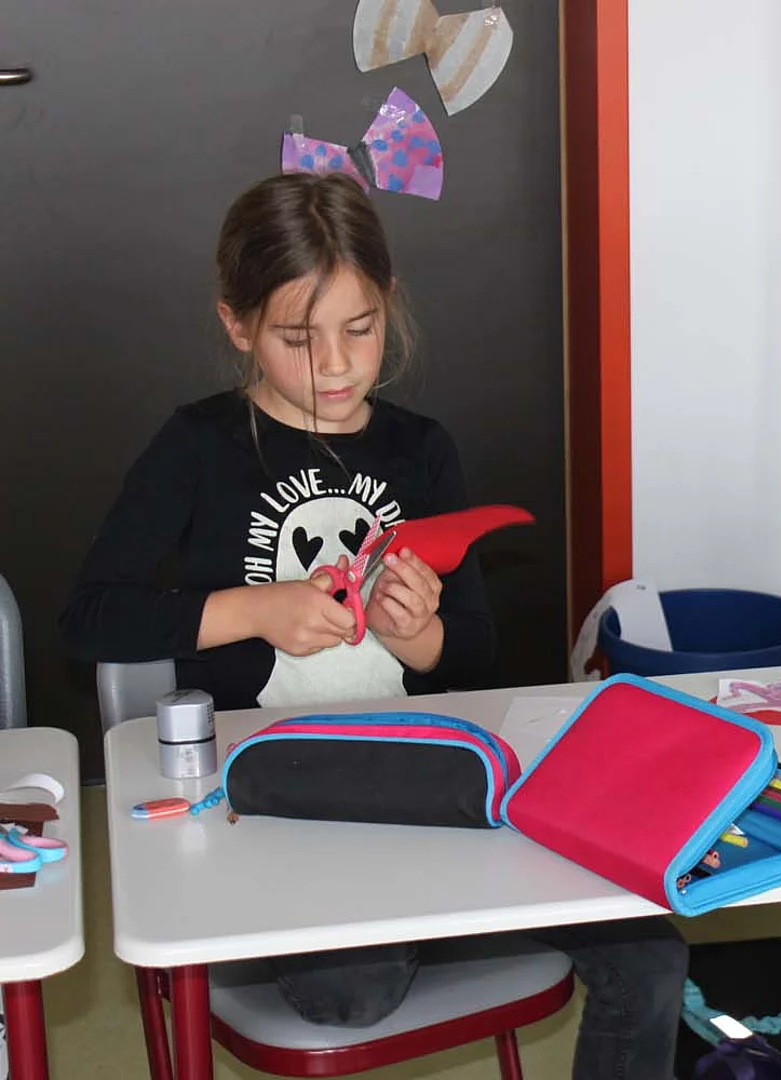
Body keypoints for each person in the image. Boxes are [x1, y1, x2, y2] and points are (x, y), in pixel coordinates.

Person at [61, 173, 687, 1079]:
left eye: (359, 328)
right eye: (296, 338)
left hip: (424, 780)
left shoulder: (419, 449)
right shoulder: (197, 448)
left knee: (650, 954)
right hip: (276, 796)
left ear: (388, 304)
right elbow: (90, 618)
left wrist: (416, 635)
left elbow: (474, 654)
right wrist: (256, 610)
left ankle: (443, 910)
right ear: (238, 327)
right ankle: (438, 915)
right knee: (348, 997)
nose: (336, 365)